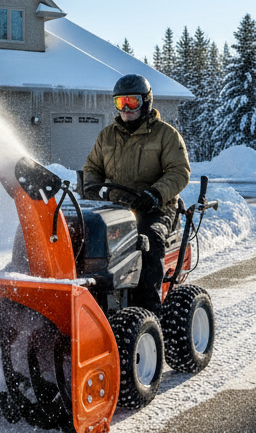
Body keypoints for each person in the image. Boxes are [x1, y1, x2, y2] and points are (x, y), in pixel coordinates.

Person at [82, 73, 191, 313]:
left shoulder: (166, 134)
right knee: (85, 236)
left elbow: (179, 171)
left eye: (132, 102)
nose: (126, 109)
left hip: (155, 208)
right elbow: (92, 168)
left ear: (146, 102)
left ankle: (148, 309)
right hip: (116, 207)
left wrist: (155, 194)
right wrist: (93, 188)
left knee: (146, 239)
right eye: (120, 102)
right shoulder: (107, 136)